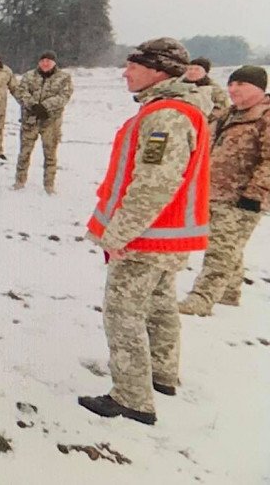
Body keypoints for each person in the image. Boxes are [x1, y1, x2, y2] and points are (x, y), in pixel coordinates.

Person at [79, 38, 210, 426]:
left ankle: (132, 397)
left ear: (158, 70)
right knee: (159, 305)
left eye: (133, 66)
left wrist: (117, 234)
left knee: (123, 313)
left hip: (147, 238)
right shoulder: (177, 109)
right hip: (167, 237)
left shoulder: (166, 116)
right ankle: (162, 374)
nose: (125, 72)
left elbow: (154, 184)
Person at [179, 66, 269, 315]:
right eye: (231, 84)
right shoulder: (228, 115)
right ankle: (229, 292)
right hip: (214, 191)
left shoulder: (265, 117)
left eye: (241, 84)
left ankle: (202, 299)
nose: (233, 89)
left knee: (220, 250)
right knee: (228, 245)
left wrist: (254, 194)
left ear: (260, 88)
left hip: (244, 198)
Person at [12, 50, 74, 193]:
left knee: (50, 154)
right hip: (30, 120)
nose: (46, 63)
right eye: (43, 60)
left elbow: (64, 96)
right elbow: (21, 92)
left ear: (54, 62)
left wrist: (45, 106)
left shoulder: (64, 78)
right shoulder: (28, 76)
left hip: (51, 122)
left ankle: (49, 185)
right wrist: (33, 105)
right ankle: (19, 181)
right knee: (24, 153)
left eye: (49, 61)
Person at [182, 57, 229, 123]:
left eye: (197, 69)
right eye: (190, 69)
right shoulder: (178, 86)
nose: (192, 72)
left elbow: (222, 110)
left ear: (205, 72)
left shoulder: (215, 90)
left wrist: (201, 119)